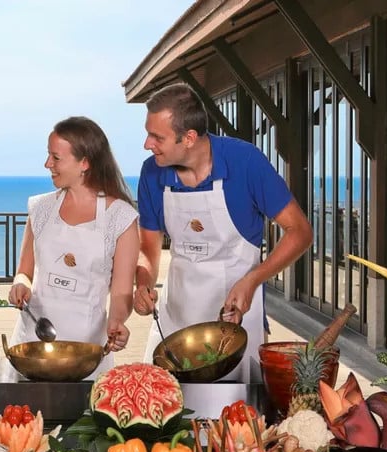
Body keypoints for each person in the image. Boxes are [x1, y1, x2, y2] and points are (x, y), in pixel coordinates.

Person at [134, 84, 313, 383]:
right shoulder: (151, 172)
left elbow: (300, 231)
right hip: (174, 323)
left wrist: (253, 279)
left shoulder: (245, 162)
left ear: (189, 138)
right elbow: (148, 249)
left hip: (236, 322)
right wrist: (143, 284)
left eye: (157, 137)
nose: (147, 144)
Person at [0, 116, 140, 382]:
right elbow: (24, 271)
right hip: (31, 346)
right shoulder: (39, 209)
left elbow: (120, 292)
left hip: (86, 354)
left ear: (84, 163)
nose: (47, 164)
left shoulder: (121, 218)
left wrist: (118, 321)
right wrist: (20, 284)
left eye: (55, 158)